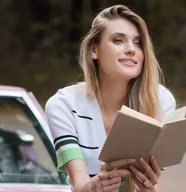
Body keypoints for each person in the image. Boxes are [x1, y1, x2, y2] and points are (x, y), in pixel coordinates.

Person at [44, 4, 176, 192]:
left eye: (138, 42)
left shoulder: (161, 101)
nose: (131, 49)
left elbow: (150, 186)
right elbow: (79, 185)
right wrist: (95, 186)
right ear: (94, 50)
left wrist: (148, 187)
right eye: (118, 40)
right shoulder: (64, 105)